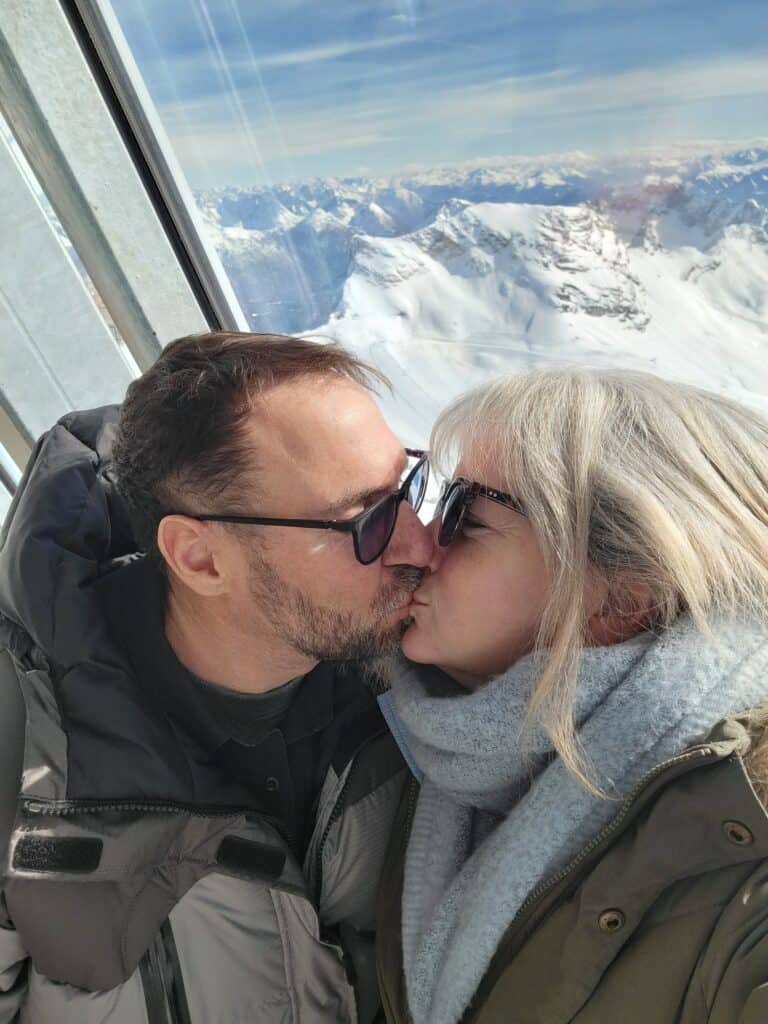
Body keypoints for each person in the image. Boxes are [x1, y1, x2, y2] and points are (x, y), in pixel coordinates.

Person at [0, 331, 433, 1024]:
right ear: (200, 559)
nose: (421, 542)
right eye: (369, 520)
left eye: (410, 484)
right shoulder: (24, 738)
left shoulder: (419, 676)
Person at [376, 367, 768, 1024]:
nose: (416, 543)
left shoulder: (744, 834)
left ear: (623, 595)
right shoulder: (434, 735)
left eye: (463, 516)